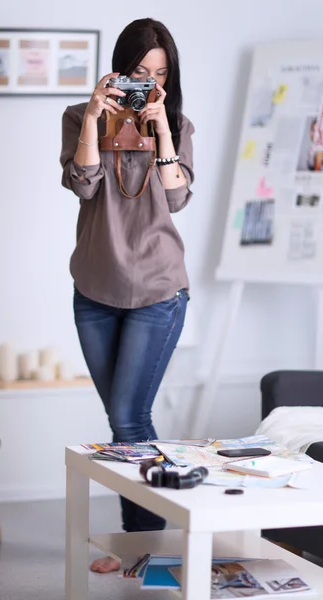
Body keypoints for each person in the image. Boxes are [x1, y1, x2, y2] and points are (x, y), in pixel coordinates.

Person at [60, 18, 195, 573]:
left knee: (127, 418)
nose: (150, 85)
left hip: (158, 289)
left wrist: (162, 130)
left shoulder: (178, 123)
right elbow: (83, 182)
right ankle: (153, 541)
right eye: (140, 73)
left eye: (160, 75)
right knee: (127, 422)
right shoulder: (78, 116)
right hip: (94, 289)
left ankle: (143, 546)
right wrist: (94, 115)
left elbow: (179, 199)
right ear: (118, 70)